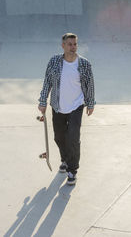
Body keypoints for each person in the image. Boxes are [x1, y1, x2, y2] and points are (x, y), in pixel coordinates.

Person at [38, 33, 95, 185]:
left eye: (75, 44)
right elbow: (47, 82)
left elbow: (90, 86)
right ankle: (64, 159)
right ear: (63, 46)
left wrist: (90, 103)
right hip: (57, 106)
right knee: (59, 137)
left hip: (76, 106)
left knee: (73, 138)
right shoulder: (54, 61)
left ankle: (72, 170)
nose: (73, 47)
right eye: (69, 44)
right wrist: (42, 100)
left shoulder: (84, 64)